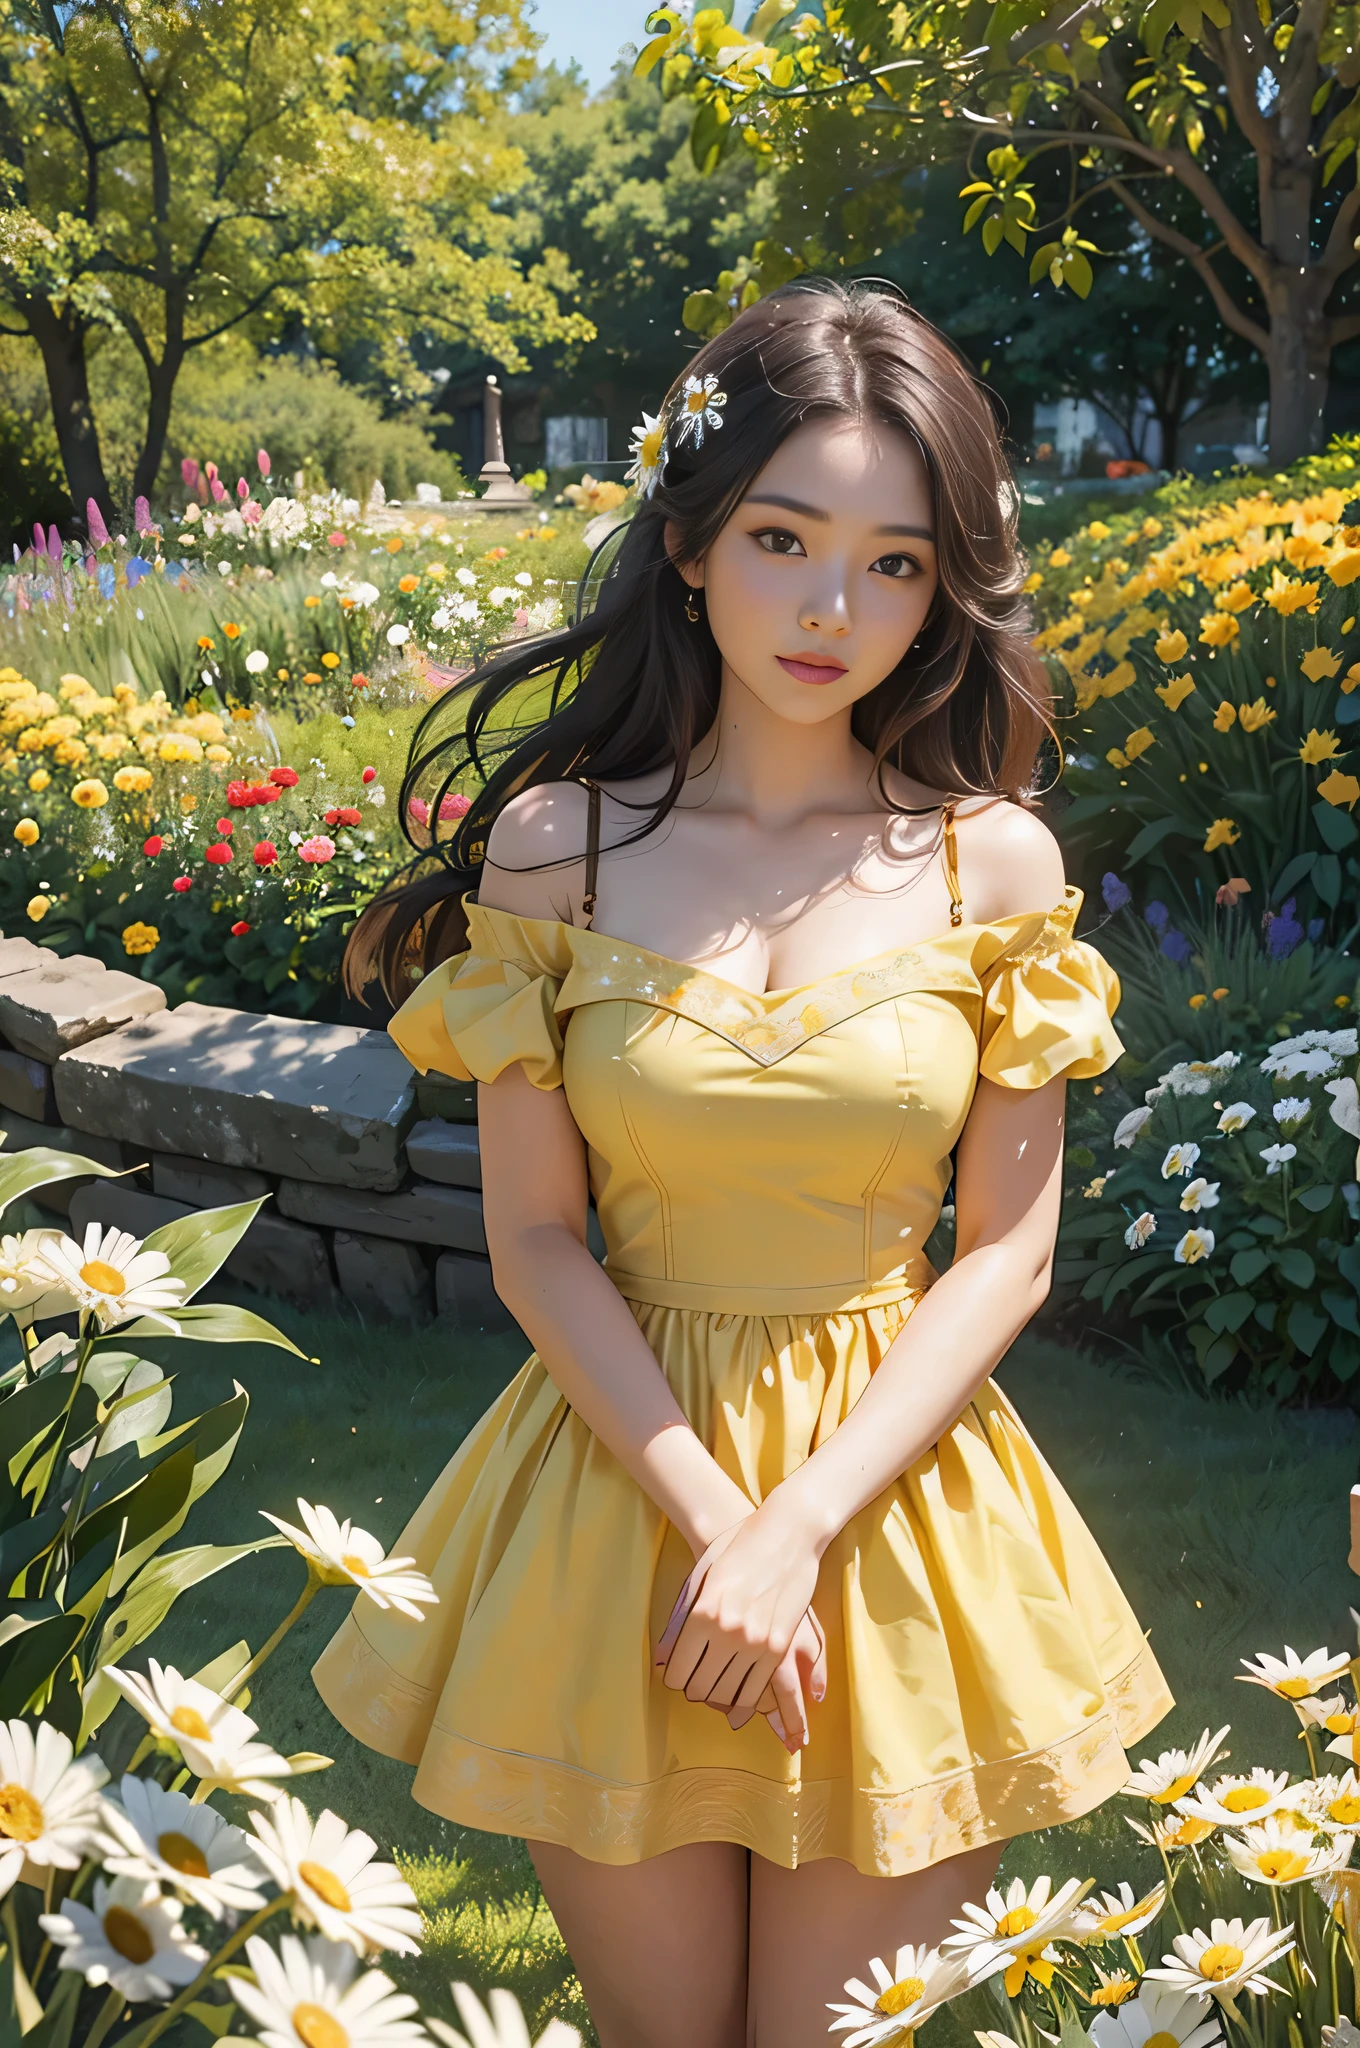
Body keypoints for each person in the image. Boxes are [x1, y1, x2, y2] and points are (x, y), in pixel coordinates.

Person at [314, 280, 1173, 2048]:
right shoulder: (561, 848)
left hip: (887, 1507)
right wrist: (720, 1525)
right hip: (618, 1500)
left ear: (942, 592)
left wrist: (796, 1527)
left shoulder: (990, 867)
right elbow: (541, 1237)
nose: (831, 607)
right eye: (785, 538)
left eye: (894, 563)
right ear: (690, 543)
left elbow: (1003, 1256)